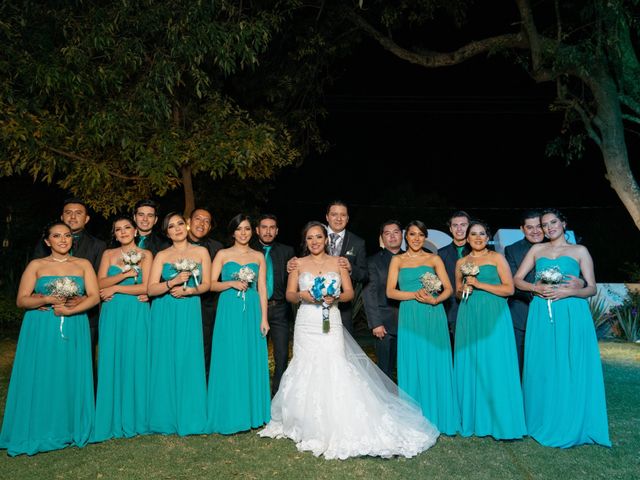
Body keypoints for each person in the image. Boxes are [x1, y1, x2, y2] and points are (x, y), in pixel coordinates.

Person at [259, 221, 439, 460]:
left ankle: (338, 416)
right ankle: (304, 419)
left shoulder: (339, 262)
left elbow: (350, 293)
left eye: (319, 237)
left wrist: (335, 297)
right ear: (306, 241)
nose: (315, 242)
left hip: (330, 319)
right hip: (307, 321)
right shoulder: (298, 264)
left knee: (334, 362)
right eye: (310, 238)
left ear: (326, 240)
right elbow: (290, 294)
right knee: (305, 364)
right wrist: (303, 295)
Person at [1, 221, 99, 456]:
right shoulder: (36, 265)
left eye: (67, 236)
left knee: (69, 373)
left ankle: (70, 426)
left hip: (74, 324)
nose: (63, 240)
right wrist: (45, 300)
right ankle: (41, 426)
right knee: (44, 372)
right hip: (41, 327)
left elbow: (94, 296)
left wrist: (70, 310)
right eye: (57, 236)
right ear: (47, 241)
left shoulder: (83, 264)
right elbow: (22, 300)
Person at [514, 208, 610, 448]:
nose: (549, 228)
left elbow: (592, 288)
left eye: (553, 222)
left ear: (564, 223)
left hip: (571, 312)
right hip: (541, 312)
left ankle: (571, 418)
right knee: (544, 364)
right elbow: (517, 279)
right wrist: (535, 288)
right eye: (545, 224)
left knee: (570, 363)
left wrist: (571, 290)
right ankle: (542, 417)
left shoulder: (579, 251)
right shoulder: (536, 250)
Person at [454, 220, 526, 440]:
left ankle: (500, 420)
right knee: (472, 363)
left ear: (488, 237)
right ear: (467, 238)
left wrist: (478, 284)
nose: (477, 237)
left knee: (495, 363)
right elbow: (457, 291)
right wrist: (464, 288)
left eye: (482, 234)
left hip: (495, 315)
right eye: (473, 234)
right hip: (469, 313)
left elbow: (509, 289)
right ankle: (474, 418)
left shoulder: (497, 258)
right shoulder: (461, 262)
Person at [386, 221, 459, 435]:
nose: (416, 238)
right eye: (412, 234)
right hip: (410, 314)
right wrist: (414, 295)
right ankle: (414, 417)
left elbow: (447, 289)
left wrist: (436, 301)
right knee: (413, 361)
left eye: (420, 235)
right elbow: (390, 292)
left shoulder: (434, 259)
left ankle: (440, 414)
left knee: (434, 360)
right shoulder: (397, 260)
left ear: (424, 237)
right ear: (406, 237)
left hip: (433, 314)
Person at [147, 212, 211, 435]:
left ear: (187, 226)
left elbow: (207, 284)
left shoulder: (201, 251)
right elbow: (151, 289)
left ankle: (190, 414)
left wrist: (189, 290)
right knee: (165, 359)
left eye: (180, 224)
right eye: (171, 226)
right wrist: (172, 282)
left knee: (187, 358)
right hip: (164, 309)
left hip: (189, 307)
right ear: (166, 232)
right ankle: (164, 416)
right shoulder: (162, 255)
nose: (177, 228)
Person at [207, 214, 271, 434]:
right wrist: (231, 283)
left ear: (251, 232)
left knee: (248, 357)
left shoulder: (258, 256)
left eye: (247, 229)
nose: (243, 233)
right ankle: (229, 412)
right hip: (228, 308)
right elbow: (210, 285)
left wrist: (264, 318)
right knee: (230, 356)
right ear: (232, 232)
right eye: (239, 229)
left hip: (252, 308)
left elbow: (262, 288)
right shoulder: (223, 254)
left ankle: (252, 413)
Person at [92, 217, 152, 442]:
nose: (123, 232)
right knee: (112, 358)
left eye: (127, 228)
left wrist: (116, 286)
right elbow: (98, 285)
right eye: (118, 229)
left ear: (136, 231)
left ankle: (137, 416)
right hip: (112, 312)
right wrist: (124, 277)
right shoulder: (108, 254)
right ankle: (111, 415)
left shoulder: (146, 255)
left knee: (136, 359)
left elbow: (146, 287)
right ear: (115, 234)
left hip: (137, 311)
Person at [33, 198, 106, 379]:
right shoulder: (44, 243)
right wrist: (37, 296)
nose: (73, 217)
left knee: (82, 362)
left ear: (87, 219)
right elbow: (35, 275)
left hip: (85, 316)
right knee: (49, 361)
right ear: (61, 216)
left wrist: (87, 297)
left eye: (78, 213)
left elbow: (99, 279)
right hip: (49, 314)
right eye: (68, 212)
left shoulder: (98, 245)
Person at [253, 214, 295, 396]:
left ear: (277, 231)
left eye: (272, 227)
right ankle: (258, 397)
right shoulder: (249, 251)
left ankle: (277, 397)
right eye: (264, 227)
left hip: (280, 310)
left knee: (282, 356)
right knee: (255, 355)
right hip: (254, 309)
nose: (268, 231)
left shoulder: (287, 252)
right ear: (257, 230)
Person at [362, 220, 403, 380]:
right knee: (385, 371)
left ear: (402, 235)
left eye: (396, 232)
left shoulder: (413, 259)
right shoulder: (372, 262)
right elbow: (369, 294)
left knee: (408, 369)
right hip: (385, 326)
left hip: (411, 323)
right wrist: (376, 323)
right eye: (387, 233)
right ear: (382, 238)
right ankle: (386, 404)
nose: (392, 236)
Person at [187, 207, 223, 381]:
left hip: (206, 309)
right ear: (189, 222)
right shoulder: (171, 244)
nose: (201, 223)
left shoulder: (217, 248)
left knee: (204, 350)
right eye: (198, 219)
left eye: (206, 221)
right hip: (178, 305)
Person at [438, 210, 471, 348]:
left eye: (463, 225)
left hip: (477, 307)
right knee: (456, 350)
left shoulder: (480, 251)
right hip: (453, 311)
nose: (459, 229)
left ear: (469, 227)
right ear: (450, 229)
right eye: (455, 225)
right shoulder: (441, 254)